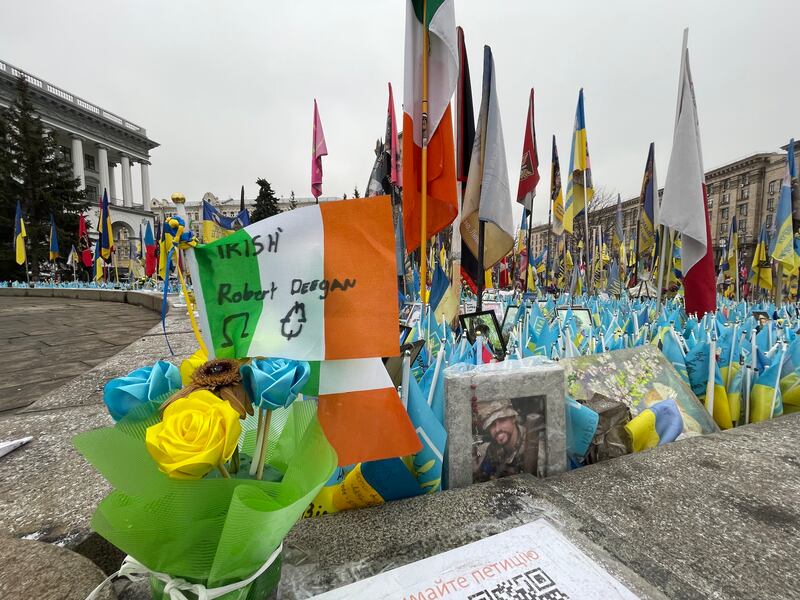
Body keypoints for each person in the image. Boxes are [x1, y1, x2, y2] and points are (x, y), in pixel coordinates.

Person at [474, 400, 540, 482]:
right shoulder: (492, 449)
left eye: (502, 420)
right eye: (492, 424)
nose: (497, 429)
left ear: (513, 418)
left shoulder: (536, 450)